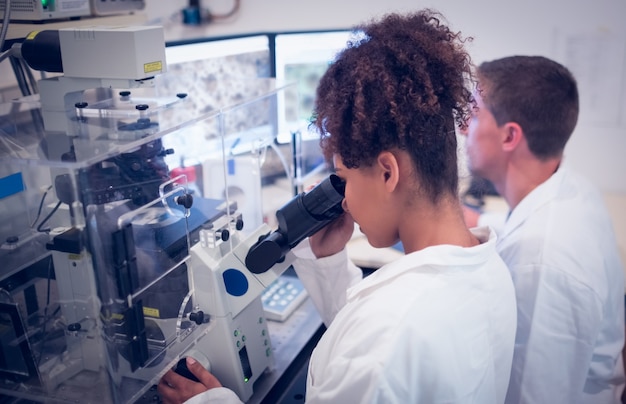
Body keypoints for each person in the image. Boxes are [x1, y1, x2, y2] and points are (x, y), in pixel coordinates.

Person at [158, 9, 518, 403]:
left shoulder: (387, 336)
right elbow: (362, 343)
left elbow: (373, 348)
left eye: (344, 179)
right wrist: (328, 263)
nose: (343, 200)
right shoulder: (488, 265)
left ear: (387, 172)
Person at [461, 55, 625, 403]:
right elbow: (524, 228)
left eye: (474, 115)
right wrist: (477, 223)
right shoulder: (573, 187)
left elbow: (530, 396)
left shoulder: (543, 262)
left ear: (509, 136)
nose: (464, 128)